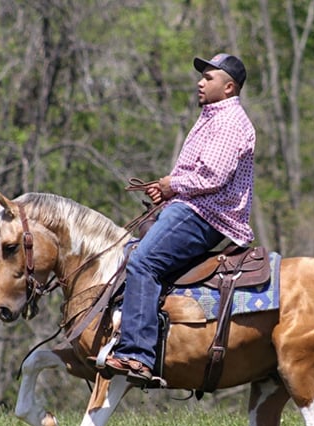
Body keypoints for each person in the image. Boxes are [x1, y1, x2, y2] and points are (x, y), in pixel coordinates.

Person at [100, 53, 256, 383]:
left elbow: (212, 177)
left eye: (209, 78)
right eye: (202, 77)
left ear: (229, 88)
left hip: (207, 215)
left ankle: (137, 356)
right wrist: (168, 190)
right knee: (132, 251)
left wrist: (172, 185)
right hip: (194, 207)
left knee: (142, 262)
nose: (200, 82)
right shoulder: (213, 116)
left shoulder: (229, 122)